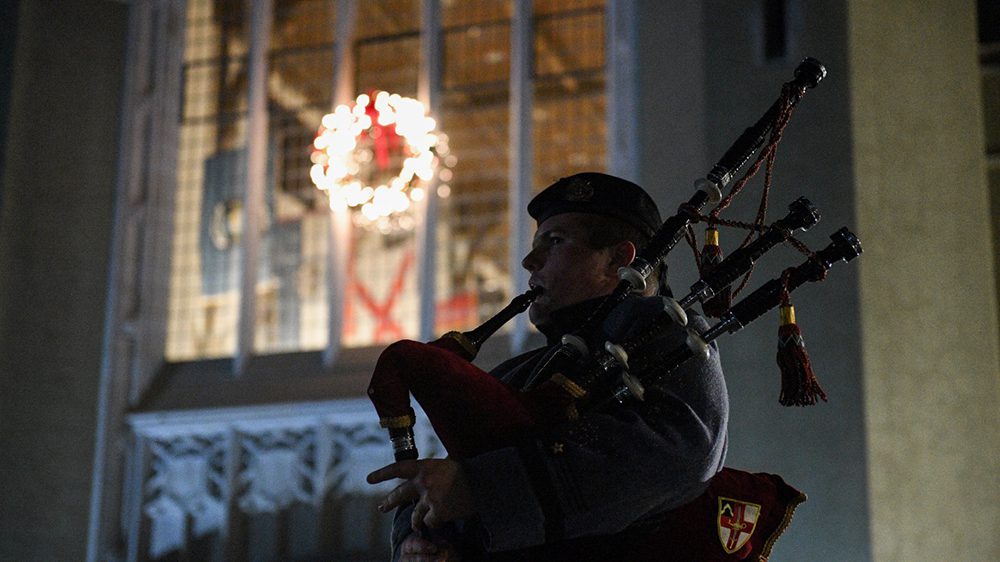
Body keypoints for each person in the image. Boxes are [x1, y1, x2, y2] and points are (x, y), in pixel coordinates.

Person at [367, 172, 729, 561]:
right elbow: (450, 474)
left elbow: (677, 453)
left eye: (554, 242)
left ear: (618, 260)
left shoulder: (667, 331)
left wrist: (480, 488)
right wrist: (414, 540)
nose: (528, 261)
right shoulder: (518, 372)